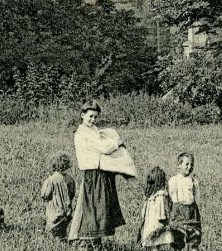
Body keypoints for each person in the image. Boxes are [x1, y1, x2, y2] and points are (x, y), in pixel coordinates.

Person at [67, 101, 128, 248]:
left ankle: (93, 240)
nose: (93, 119)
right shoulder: (82, 133)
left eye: (95, 117)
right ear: (82, 115)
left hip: (101, 171)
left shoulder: (93, 129)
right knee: (93, 207)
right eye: (90, 116)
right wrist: (117, 143)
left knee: (99, 207)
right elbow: (103, 147)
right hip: (93, 173)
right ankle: (87, 242)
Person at [168, 152, 202, 250]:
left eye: (192, 164)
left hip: (192, 211)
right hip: (178, 212)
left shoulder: (193, 181)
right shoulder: (173, 180)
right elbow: (171, 198)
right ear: (179, 165)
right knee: (177, 238)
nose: (190, 167)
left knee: (194, 237)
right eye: (187, 164)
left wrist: (196, 212)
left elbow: (197, 197)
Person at [40, 153, 76, 240]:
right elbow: (72, 193)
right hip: (67, 211)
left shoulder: (50, 180)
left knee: (52, 233)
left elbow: (44, 195)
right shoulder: (70, 179)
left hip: (54, 212)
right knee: (62, 231)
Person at [139, 166, 176, 249]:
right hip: (157, 224)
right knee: (156, 245)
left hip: (150, 224)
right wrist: (164, 220)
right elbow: (161, 211)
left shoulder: (151, 196)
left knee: (154, 245)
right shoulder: (160, 194)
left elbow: (143, 212)